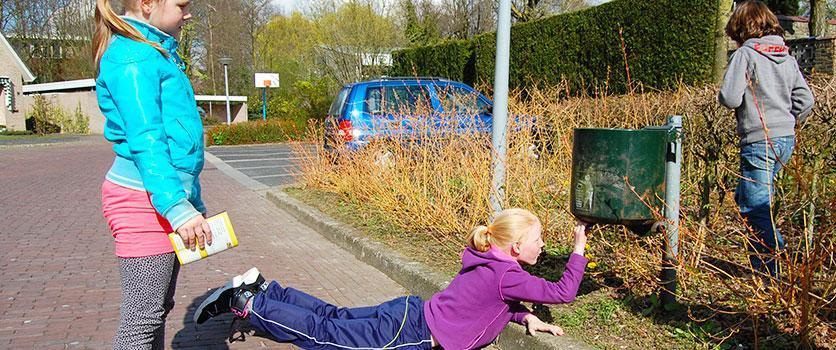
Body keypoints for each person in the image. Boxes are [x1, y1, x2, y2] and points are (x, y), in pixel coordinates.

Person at [194, 208, 589, 349]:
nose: (542, 247)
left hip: (407, 313)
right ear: (517, 246)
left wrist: (524, 317)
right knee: (322, 335)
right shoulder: (509, 274)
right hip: (409, 336)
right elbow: (563, 291)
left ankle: (267, 288)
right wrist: (578, 245)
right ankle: (248, 303)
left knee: (333, 318)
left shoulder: (490, 262)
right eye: (538, 240)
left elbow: (488, 304)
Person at [93, 0, 212, 348]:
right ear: (147, 4)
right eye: (181, 5)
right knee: (142, 319)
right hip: (143, 201)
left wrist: (191, 200)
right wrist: (177, 206)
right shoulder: (133, 58)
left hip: (159, 197)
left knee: (155, 310)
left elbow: (175, 144)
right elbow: (147, 141)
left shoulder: (152, 53)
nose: (187, 13)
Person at [718, 0, 815, 278]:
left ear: (740, 28)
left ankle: (770, 271)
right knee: (749, 197)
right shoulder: (786, 55)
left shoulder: (746, 55)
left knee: (754, 207)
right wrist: (787, 120)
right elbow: (806, 100)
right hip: (785, 139)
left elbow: (729, 97)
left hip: (759, 140)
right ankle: (766, 265)